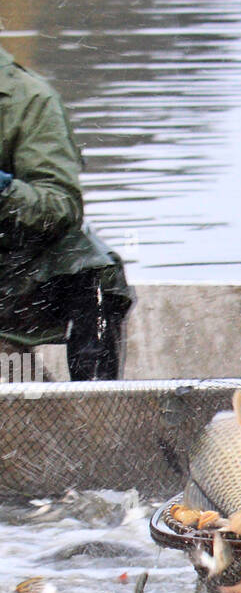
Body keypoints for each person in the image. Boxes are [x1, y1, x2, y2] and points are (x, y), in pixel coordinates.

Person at [0, 43, 132, 378]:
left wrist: (3, 191)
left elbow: (60, 205)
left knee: (95, 270)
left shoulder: (29, 99)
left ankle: (95, 409)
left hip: (18, 274)